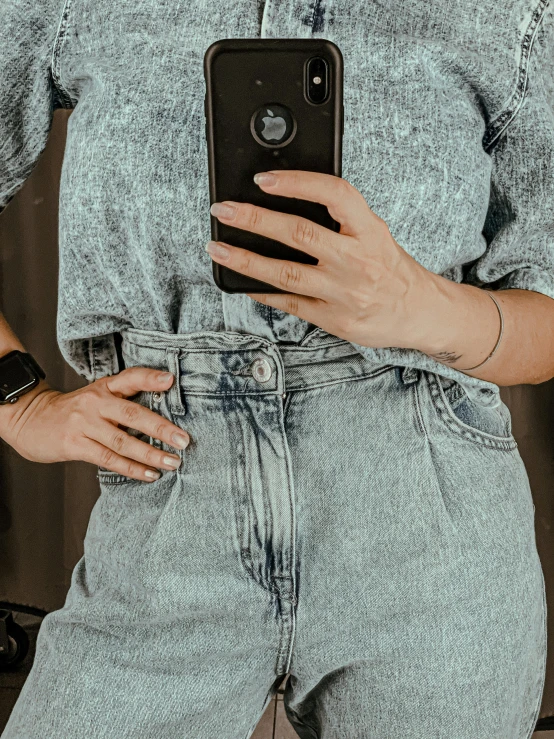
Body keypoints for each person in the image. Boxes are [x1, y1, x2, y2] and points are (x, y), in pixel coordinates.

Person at [0, 0, 552, 737]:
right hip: (166, 502)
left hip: (428, 518)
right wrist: (19, 402)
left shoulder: (512, 14)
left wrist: (418, 306)